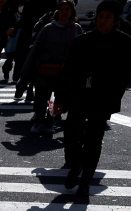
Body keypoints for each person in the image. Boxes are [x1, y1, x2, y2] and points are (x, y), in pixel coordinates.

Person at [56, 1, 131, 195]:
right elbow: (68, 70)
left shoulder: (124, 42)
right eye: (100, 16)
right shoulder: (83, 41)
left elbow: (124, 76)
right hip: (79, 96)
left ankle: (85, 181)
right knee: (71, 135)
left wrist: (114, 97)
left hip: (104, 98)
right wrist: (60, 97)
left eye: (108, 17)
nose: (103, 20)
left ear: (115, 20)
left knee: (93, 139)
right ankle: (76, 163)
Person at [20, 0, 80, 136]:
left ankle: (51, 120)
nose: (65, 12)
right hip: (45, 69)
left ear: (72, 12)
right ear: (57, 11)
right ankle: (39, 120)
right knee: (41, 97)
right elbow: (35, 50)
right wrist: (25, 72)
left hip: (65, 72)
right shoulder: (48, 28)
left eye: (68, 9)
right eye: (62, 9)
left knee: (60, 98)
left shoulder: (75, 29)